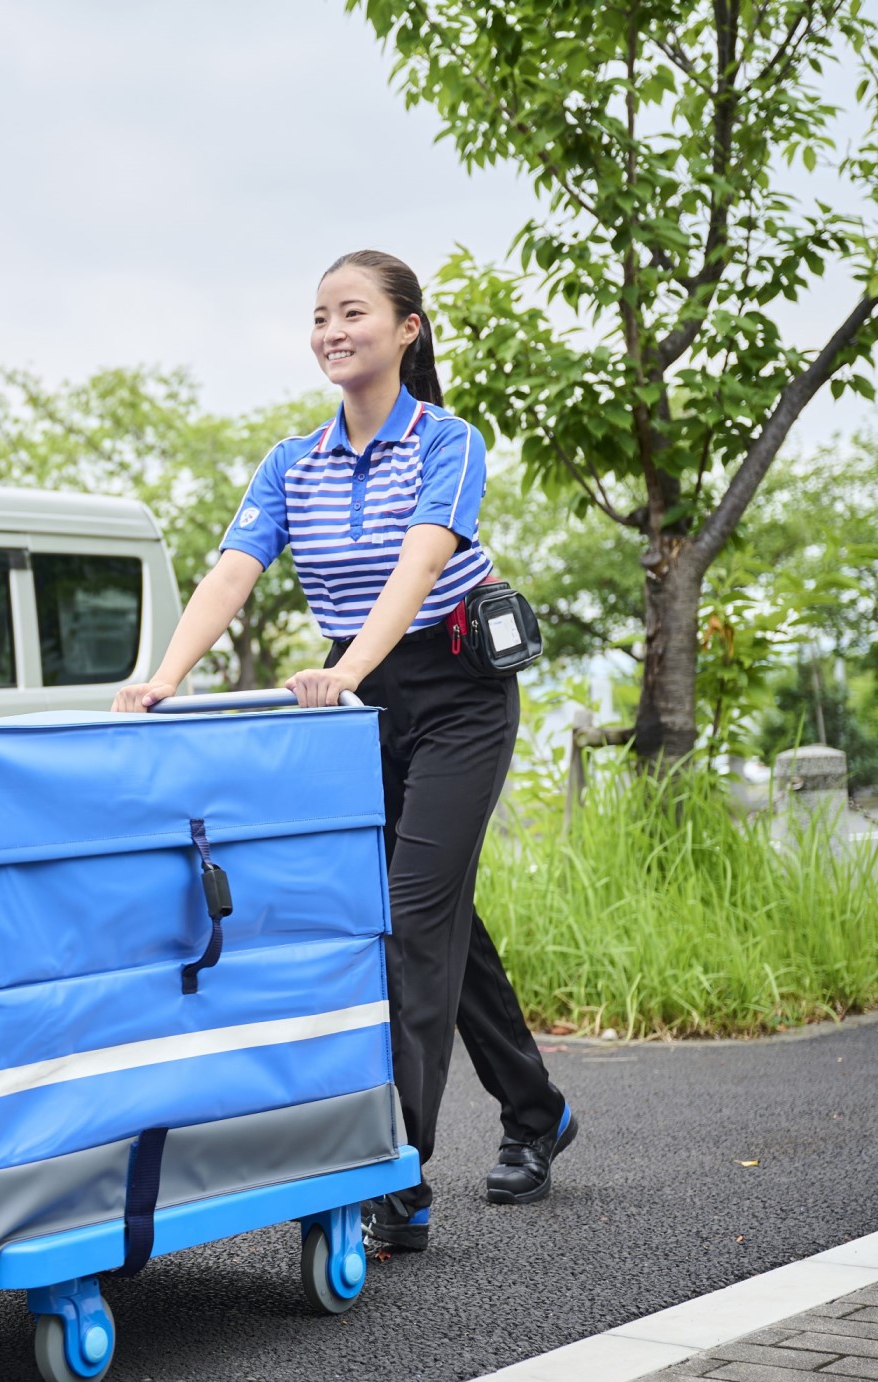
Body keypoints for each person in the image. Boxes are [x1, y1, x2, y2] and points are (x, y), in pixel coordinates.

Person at [112, 249, 574, 1252]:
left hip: (455, 691)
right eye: (319, 315)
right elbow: (232, 571)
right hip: (356, 698)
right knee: (428, 913)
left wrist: (351, 667)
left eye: (352, 311)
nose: (331, 330)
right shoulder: (292, 461)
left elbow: (418, 567)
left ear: (407, 328)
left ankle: (396, 1178)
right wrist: (164, 677)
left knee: (410, 918)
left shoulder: (447, 442)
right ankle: (537, 1109)